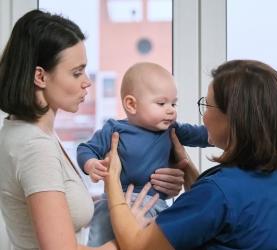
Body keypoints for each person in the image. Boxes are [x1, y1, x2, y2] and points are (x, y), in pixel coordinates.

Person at [0, 9, 185, 250]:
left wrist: (148, 184)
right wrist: (128, 237)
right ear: (40, 77)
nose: (87, 81)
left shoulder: (23, 131)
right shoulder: (35, 147)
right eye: (77, 73)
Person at [105, 59, 277, 249]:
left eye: (208, 105)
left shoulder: (217, 193)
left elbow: (138, 246)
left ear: (234, 119)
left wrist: (112, 178)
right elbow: (230, 215)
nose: (204, 117)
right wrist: (185, 166)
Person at [76, 62, 210, 246]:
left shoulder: (172, 130)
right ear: (131, 104)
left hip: (155, 205)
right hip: (114, 203)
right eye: (161, 103)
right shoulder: (114, 129)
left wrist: (235, 131)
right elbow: (85, 149)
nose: (171, 110)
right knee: (100, 239)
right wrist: (91, 164)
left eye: (174, 103)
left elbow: (204, 135)